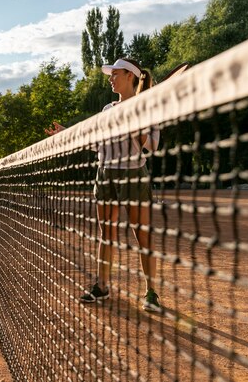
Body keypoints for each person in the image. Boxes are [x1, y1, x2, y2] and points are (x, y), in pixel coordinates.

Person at [74, 58, 161, 312]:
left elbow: (151, 145)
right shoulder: (106, 109)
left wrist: (133, 123)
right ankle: (102, 286)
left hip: (133, 174)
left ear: (131, 76)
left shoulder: (146, 107)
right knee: (106, 234)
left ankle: (151, 292)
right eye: (110, 75)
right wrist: (66, 136)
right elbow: (97, 144)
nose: (111, 78)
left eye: (115, 74)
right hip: (105, 174)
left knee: (141, 233)